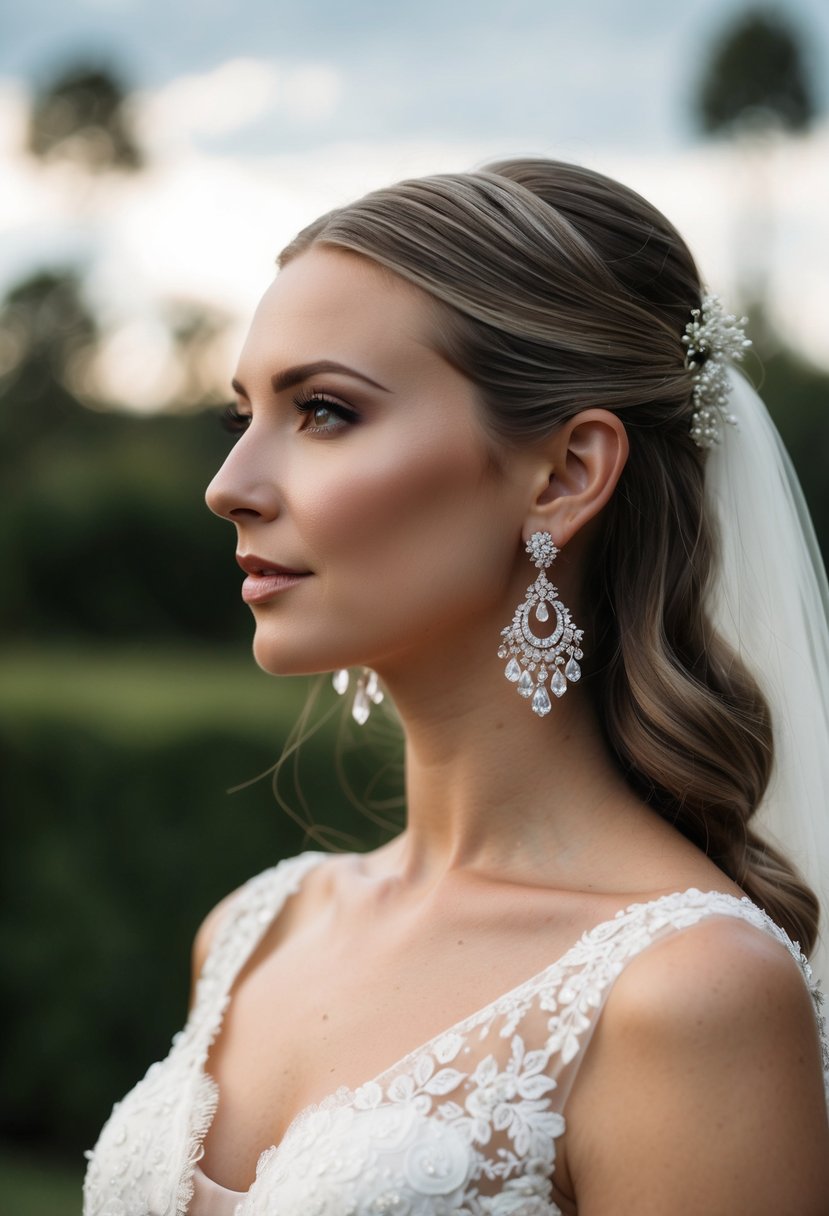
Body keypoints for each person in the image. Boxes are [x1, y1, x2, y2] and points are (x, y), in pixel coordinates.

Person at [83, 159, 829, 1215]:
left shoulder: (682, 992)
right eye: (236, 416)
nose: (229, 487)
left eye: (326, 411)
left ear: (566, 473)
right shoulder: (256, 927)